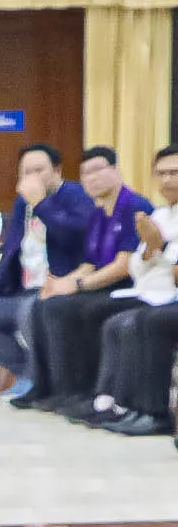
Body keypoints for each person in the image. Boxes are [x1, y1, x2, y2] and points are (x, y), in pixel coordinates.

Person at [19, 145, 154, 415]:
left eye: (98, 171)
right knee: (45, 303)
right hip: (107, 285)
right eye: (85, 174)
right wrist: (61, 284)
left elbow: (123, 266)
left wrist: (78, 286)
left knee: (74, 308)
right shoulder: (99, 212)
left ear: (115, 171)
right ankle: (53, 388)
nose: (91, 179)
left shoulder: (133, 205)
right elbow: (90, 263)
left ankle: (82, 391)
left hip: (133, 287)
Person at [0, 144, 97, 401]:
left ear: (56, 170)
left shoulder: (76, 195)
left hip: (61, 288)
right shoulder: (21, 203)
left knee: (29, 313)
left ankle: (47, 382)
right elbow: (13, 249)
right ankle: (28, 373)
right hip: (24, 290)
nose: (33, 177)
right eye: (27, 171)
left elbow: (73, 237)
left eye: (39, 170)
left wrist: (41, 203)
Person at [86, 145, 178, 437]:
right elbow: (137, 268)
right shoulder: (161, 216)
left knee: (147, 322)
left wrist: (159, 249)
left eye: (174, 173)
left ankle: (156, 413)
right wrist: (152, 247)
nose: (167, 180)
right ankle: (120, 405)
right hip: (153, 294)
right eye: (161, 174)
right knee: (117, 323)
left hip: (169, 298)